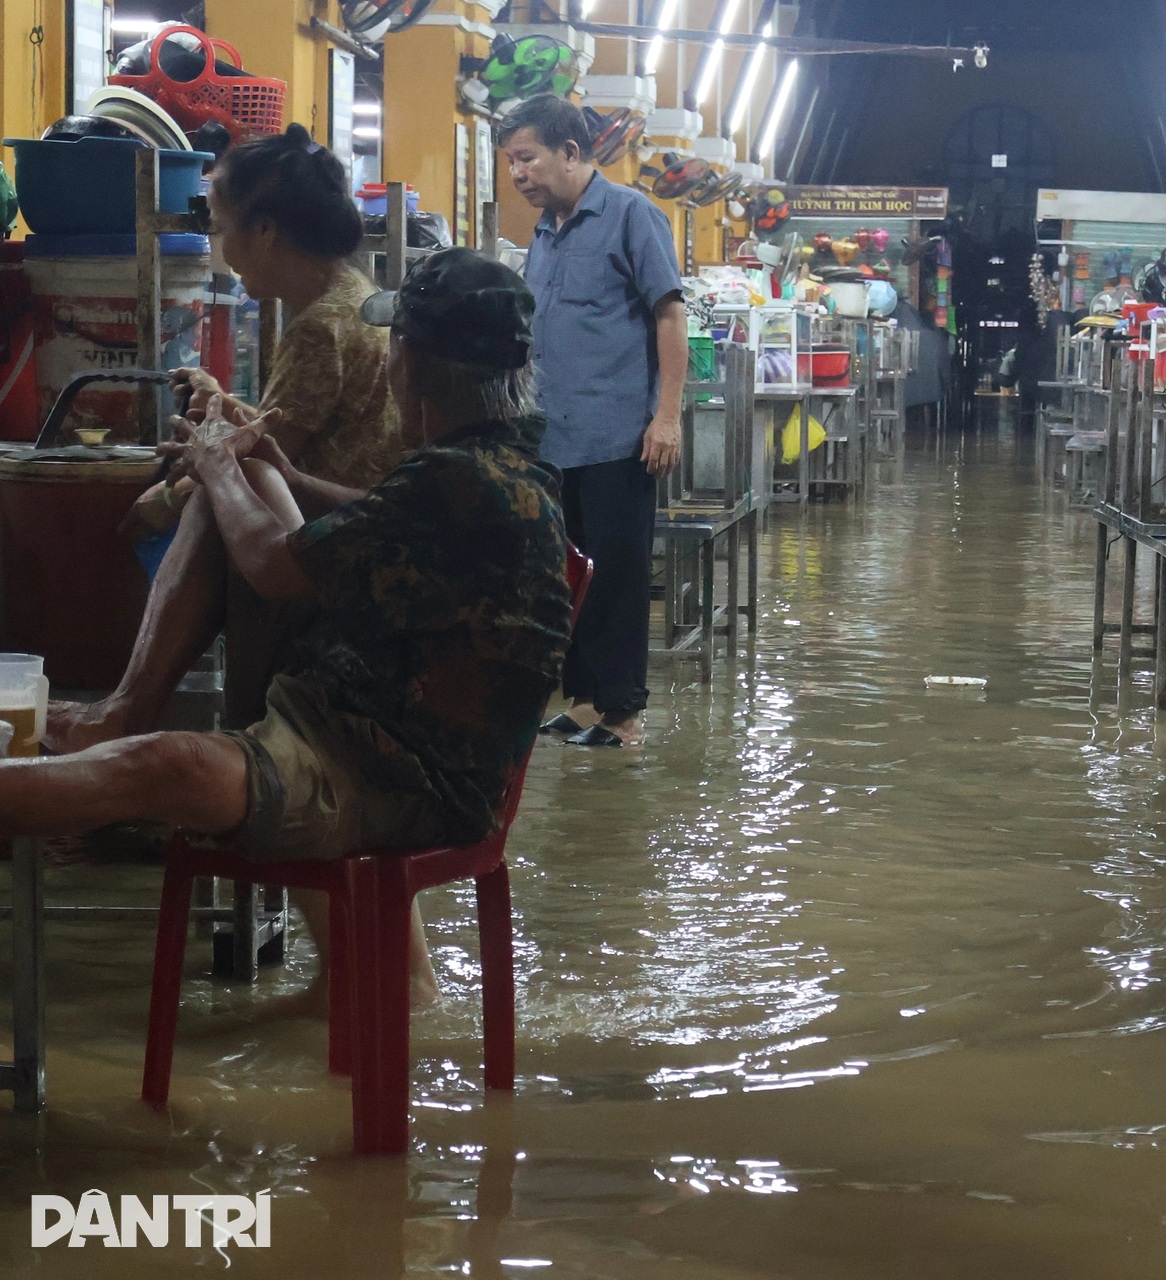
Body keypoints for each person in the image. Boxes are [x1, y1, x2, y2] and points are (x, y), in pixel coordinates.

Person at [0, 250, 571, 1007]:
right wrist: (278, 473)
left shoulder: (459, 479)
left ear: (409, 364)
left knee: (167, 764)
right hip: (362, 732)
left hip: (398, 779)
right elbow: (373, 521)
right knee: (238, 483)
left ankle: (112, 729)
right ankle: (122, 713)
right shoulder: (493, 469)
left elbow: (272, 566)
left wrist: (214, 466)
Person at [47, 123, 406, 754]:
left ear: (265, 230)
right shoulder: (353, 298)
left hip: (335, 544)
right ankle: (130, 711)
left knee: (203, 506)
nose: (222, 248)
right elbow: (285, 429)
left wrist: (164, 498)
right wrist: (224, 403)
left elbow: (263, 460)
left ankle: (133, 710)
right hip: (348, 521)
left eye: (221, 227)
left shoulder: (320, 328)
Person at [501, 94, 688, 749]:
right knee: (567, 575)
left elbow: (670, 315)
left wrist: (667, 417)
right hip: (553, 437)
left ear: (571, 152)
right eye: (511, 162)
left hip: (617, 435)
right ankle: (583, 702)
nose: (518, 173)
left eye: (527, 158)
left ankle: (623, 713)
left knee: (616, 575)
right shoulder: (543, 232)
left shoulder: (632, 214)